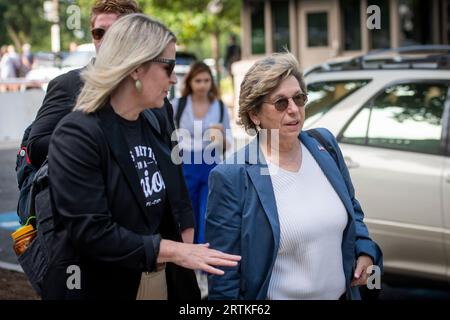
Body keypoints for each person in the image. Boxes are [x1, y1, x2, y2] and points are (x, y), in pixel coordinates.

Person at [44, 13, 241, 300]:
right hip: (99, 284)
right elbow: (92, 232)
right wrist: (176, 251)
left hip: (157, 279)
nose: (175, 78)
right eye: (169, 66)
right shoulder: (76, 135)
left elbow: (175, 183)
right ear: (136, 68)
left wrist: (185, 230)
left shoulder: (155, 118)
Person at [205, 52, 382, 300]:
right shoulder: (232, 175)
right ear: (255, 115)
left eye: (299, 99)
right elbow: (223, 270)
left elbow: (353, 211)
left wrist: (365, 251)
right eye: (280, 103)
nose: (294, 110)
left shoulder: (325, 146)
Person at [172, 61, 233, 245]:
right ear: (190, 82)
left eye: (206, 80)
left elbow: (228, 143)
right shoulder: (178, 105)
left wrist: (221, 137)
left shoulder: (220, 107)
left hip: (211, 162)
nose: (202, 85)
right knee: (186, 212)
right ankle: (187, 258)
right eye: (198, 80)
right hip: (185, 162)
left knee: (208, 212)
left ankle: (204, 258)